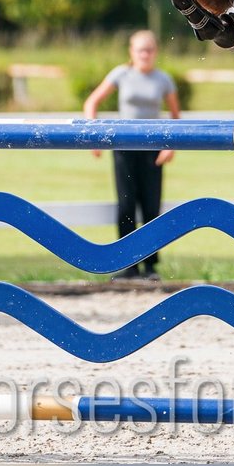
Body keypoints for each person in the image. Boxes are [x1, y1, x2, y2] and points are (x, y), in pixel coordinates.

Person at [82, 30, 181, 280]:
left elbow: (175, 117)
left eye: (149, 49)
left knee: (151, 206)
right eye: (140, 50)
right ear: (132, 52)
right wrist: (93, 136)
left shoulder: (163, 79)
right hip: (124, 148)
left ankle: (150, 267)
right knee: (126, 205)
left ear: (155, 52)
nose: (145, 54)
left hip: (153, 149)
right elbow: (91, 103)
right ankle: (128, 264)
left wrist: (170, 146)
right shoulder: (121, 74)